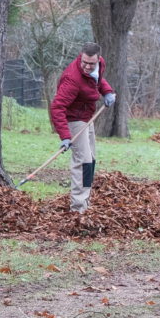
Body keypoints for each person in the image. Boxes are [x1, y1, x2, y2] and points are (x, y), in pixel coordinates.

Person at [50, 42, 115, 213]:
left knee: (90, 161)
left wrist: (107, 92)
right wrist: (65, 135)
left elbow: (98, 81)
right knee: (83, 161)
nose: (87, 66)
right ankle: (78, 208)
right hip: (73, 121)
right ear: (81, 56)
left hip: (87, 118)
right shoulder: (72, 79)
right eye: (84, 62)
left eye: (91, 63)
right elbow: (57, 107)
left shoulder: (99, 65)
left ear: (98, 59)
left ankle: (84, 202)